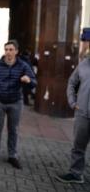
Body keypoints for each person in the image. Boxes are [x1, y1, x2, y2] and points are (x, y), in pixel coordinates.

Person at [0, 40, 36, 169]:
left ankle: (12, 155)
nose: (8, 52)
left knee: (13, 130)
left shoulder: (23, 66)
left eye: (11, 49)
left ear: (16, 51)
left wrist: (28, 80)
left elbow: (34, 81)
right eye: (6, 49)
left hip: (15, 103)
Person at [55, 53, 90, 184]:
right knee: (78, 146)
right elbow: (71, 82)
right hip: (82, 114)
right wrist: (73, 102)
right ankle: (76, 174)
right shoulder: (83, 64)